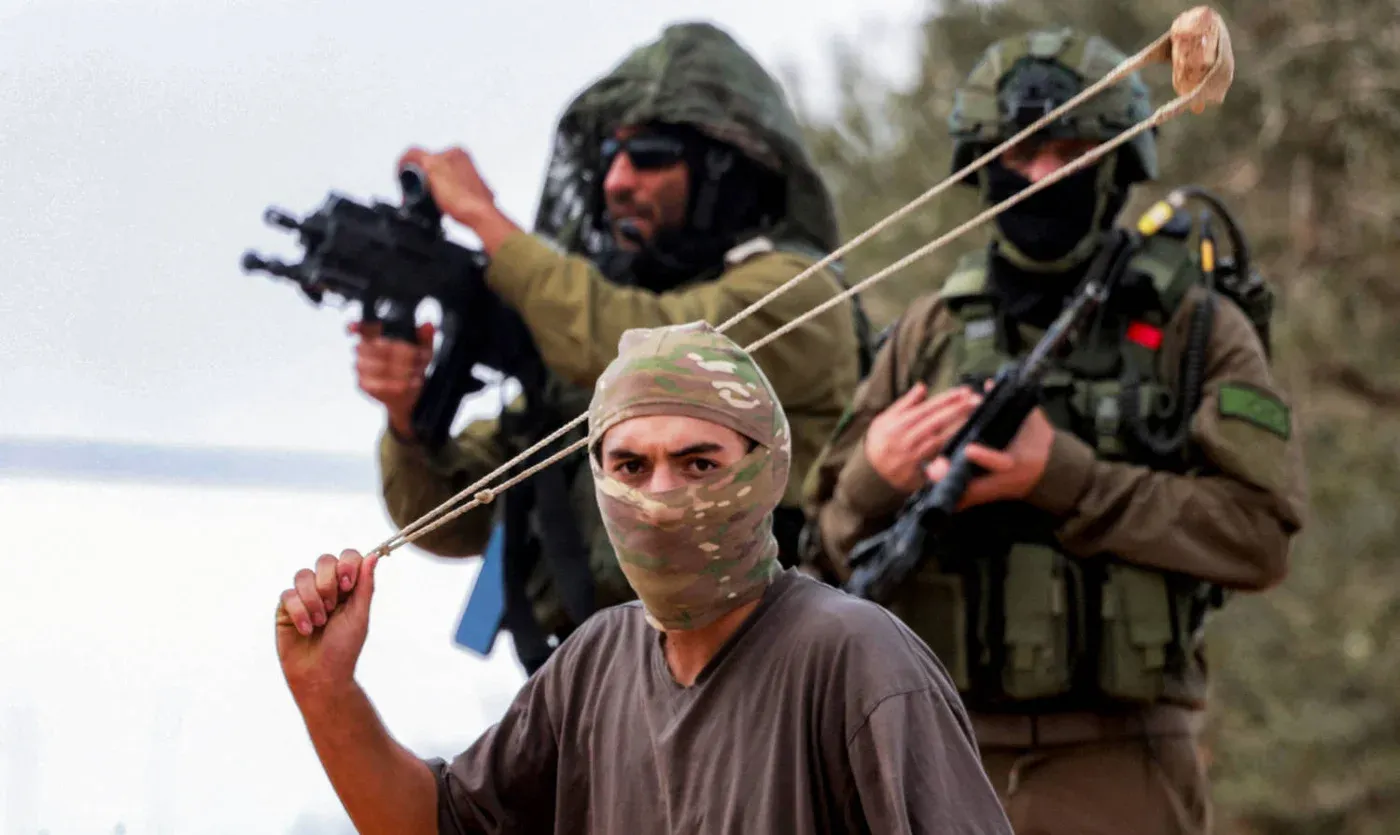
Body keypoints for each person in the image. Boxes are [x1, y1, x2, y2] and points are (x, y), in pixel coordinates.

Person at [799, 27, 1308, 835]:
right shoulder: (926, 334)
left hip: (1122, 764)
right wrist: (873, 476)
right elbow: (818, 563)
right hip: (933, 754)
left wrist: (1066, 479)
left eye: (1067, 148)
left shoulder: (1194, 328)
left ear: (1116, 164)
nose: (1041, 175)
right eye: (1019, 151)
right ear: (983, 163)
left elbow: (1259, 538)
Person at [277, 321, 1013, 835]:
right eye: (630, 465)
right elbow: (434, 826)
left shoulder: (853, 657)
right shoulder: (593, 664)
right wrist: (326, 691)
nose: (660, 499)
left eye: (699, 463)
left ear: (768, 469)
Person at [353, 21, 870, 675]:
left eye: (650, 156)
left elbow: (650, 351)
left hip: (760, 682)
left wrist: (485, 219)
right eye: (610, 160)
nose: (617, 182)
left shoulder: (795, 291)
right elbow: (451, 518)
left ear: (724, 169)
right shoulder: (596, 338)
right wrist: (406, 419)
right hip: (599, 695)